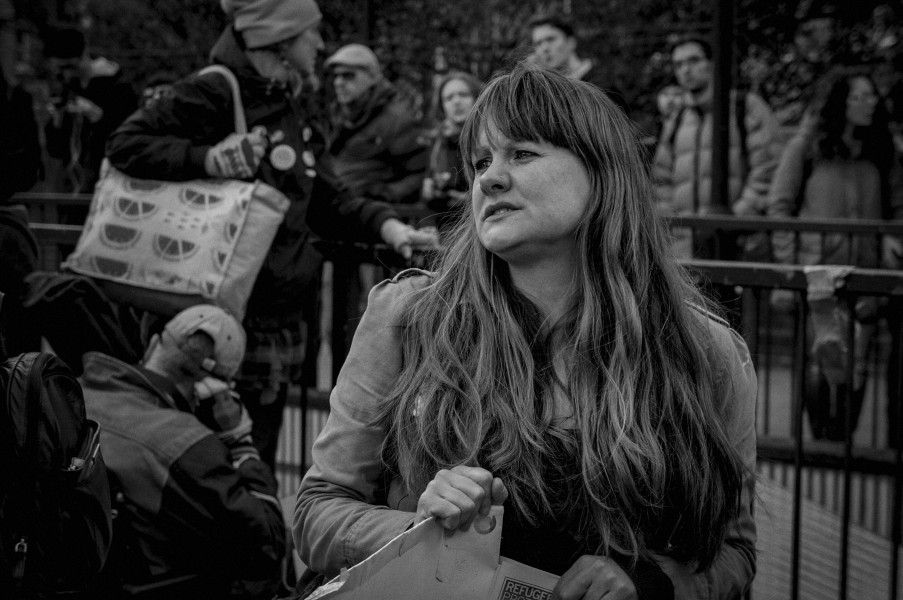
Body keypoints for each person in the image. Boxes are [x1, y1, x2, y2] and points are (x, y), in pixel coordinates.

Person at [294, 63, 757, 600]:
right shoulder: (408, 317)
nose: (488, 177)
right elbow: (317, 510)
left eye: (523, 153)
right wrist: (418, 533)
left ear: (603, 171)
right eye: (481, 161)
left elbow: (735, 552)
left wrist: (654, 582)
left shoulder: (706, 350)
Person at [105, 0, 437, 471]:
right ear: (279, 39)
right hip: (206, 316)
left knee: (251, 464)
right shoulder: (213, 91)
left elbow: (327, 198)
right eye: (311, 33)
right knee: (196, 466)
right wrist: (208, 159)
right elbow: (125, 146)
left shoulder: (290, 104)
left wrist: (390, 226)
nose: (320, 44)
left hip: (273, 321)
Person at [81, 305, 286, 599]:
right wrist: (240, 441)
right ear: (210, 387)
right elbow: (268, 539)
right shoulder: (186, 445)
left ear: (153, 343)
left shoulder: (75, 396)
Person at [767, 71, 903, 442]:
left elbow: (897, 206)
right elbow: (780, 207)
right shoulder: (806, 147)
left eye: (872, 95)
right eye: (859, 96)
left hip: (866, 273)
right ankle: (822, 443)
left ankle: (841, 442)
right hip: (818, 274)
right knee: (820, 361)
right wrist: (789, 265)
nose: (869, 102)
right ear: (839, 102)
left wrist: (892, 239)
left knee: (856, 365)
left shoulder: (882, 149)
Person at [653, 35, 781, 260]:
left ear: (712, 64)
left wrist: (735, 219)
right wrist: (678, 230)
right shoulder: (678, 119)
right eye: (678, 64)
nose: (685, 70)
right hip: (688, 248)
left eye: (693, 61)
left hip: (740, 242)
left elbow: (768, 168)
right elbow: (661, 180)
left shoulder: (745, 107)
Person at [324, 43, 429, 204]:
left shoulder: (397, 120)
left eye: (348, 75)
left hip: (373, 217)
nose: (339, 82)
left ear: (372, 77)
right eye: (336, 76)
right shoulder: (337, 115)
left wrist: (383, 195)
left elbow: (420, 174)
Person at [41, 24, 137, 195]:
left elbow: (129, 138)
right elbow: (55, 150)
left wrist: (96, 115)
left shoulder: (118, 87)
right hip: (74, 184)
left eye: (68, 67)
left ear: (82, 56)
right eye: (59, 70)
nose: (66, 75)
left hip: (108, 182)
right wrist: (57, 119)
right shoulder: (69, 88)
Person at [528, 13, 630, 115]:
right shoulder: (549, 91)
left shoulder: (601, 84)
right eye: (538, 43)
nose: (544, 48)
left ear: (570, 42)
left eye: (551, 39)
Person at [421, 70, 481, 230]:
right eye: (449, 98)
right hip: (445, 226)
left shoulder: (488, 138)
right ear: (442, 106)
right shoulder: (437, 142)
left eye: (463, 94)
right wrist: (429, 190)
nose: (456, 102)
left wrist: (466, 200)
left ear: (476, 98)